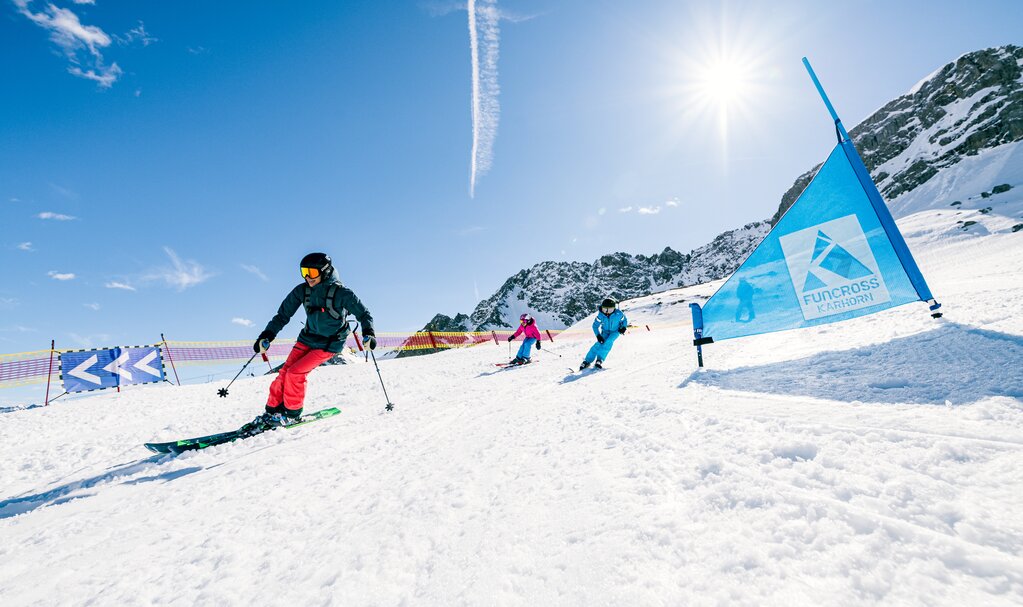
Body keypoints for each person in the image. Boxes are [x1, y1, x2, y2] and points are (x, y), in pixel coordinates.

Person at [245, 252, 375, 432]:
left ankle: (291, 414)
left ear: (325, 272)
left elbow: (364, 314)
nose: (307, 277)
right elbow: (283, 315)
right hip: (307, 338)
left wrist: (368, 333)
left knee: (295, 373)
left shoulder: (341, 293)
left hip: (330, 343)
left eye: (312, 273)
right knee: (284, 373)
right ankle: (272, 412)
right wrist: (267, 335)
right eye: (304, 272)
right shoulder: (302, 290)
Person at [579, 297, 628, 370]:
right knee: (598, 344)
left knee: (608, 342)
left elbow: (624, 320)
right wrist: (598, 336)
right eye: (605, 309)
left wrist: (623, 327)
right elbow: (595, 326)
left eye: (610, 310)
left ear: (614, 309)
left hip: (615, 331)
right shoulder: (600, 316)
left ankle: (600, 360)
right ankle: (587, 361)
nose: (607, 312)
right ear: (602, 308)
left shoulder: (618, 314)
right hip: (605, 331)